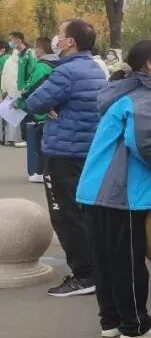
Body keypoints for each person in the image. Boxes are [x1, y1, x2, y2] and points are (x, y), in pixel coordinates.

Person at [75, 40, 151, 338]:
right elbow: (144, 140)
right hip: (123, 191)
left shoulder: (121, 89)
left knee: (105, 260)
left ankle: (111, 321)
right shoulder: (148, 93)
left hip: (94, 188)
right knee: (128, 262)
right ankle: (136, 326)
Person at [25, 19, 107, 297]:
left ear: (70, 41)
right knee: (84, 213)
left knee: (66, 216)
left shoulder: (66, 72)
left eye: (60, 34)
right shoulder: (94, 68)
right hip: (86, 149)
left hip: (64, 151)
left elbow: (34, 102)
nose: (56, 39)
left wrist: (50, 105)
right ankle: (95, 269)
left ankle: (85, 275)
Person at [17, 37, 59, 183]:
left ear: (41, 49)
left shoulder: (42, 66)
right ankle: (45, 171)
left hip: (43, 110)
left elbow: (33, 86)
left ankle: (42, 172)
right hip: (54, 107)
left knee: (41, 141)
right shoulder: (58, 63)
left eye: (36, 47)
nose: (34, 51)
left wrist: (20, 99)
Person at [1, 32, 28, 146]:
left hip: (17, 89)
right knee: (10, 114)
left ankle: (15, 138)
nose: (10, 43)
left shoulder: (23, 56)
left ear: (18, 40)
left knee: (14, 114)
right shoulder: (10, 58)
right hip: (11, 89)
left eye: (11, 40)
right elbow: (5, 74)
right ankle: (12, 138)